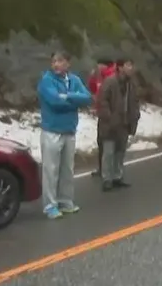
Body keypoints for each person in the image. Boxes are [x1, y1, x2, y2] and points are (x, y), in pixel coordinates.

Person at [37, 51, 93, 219]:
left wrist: (68, 96)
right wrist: (73, 102)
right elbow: (54, 101)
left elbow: (87, 98)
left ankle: (65, 201)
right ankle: (50, 205)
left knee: (67, 169)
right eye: (53, 61)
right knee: (51, 170)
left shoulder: (74, 80)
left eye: (60, 61)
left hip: (69, 130)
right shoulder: (47, 80)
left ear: (68, 63)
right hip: (52, 130)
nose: (56, 64)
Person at [96, 58, 140, 192]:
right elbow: (102, 101)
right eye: (128, 65)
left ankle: (117, 176)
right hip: (110, 124)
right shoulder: (110, 82)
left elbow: (135, 101)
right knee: (108, 152)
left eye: (132, 65)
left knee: (120, 152)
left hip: (125, 123)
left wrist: (135, 116)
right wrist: (109, 117)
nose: (131, 68)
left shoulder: (131, 84)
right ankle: (107, 179)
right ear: (120, 67)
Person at [87, 58, 116, 177]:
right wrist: (92, 77)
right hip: (102, 115)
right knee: (101, 142)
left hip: (112, 114)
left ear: (105, 66)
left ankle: (111, 169)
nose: (98, 67)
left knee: (109, 143)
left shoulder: (111, 77)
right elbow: (94, 90)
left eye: (100, 65)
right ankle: (102, 168)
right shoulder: (100, 77)